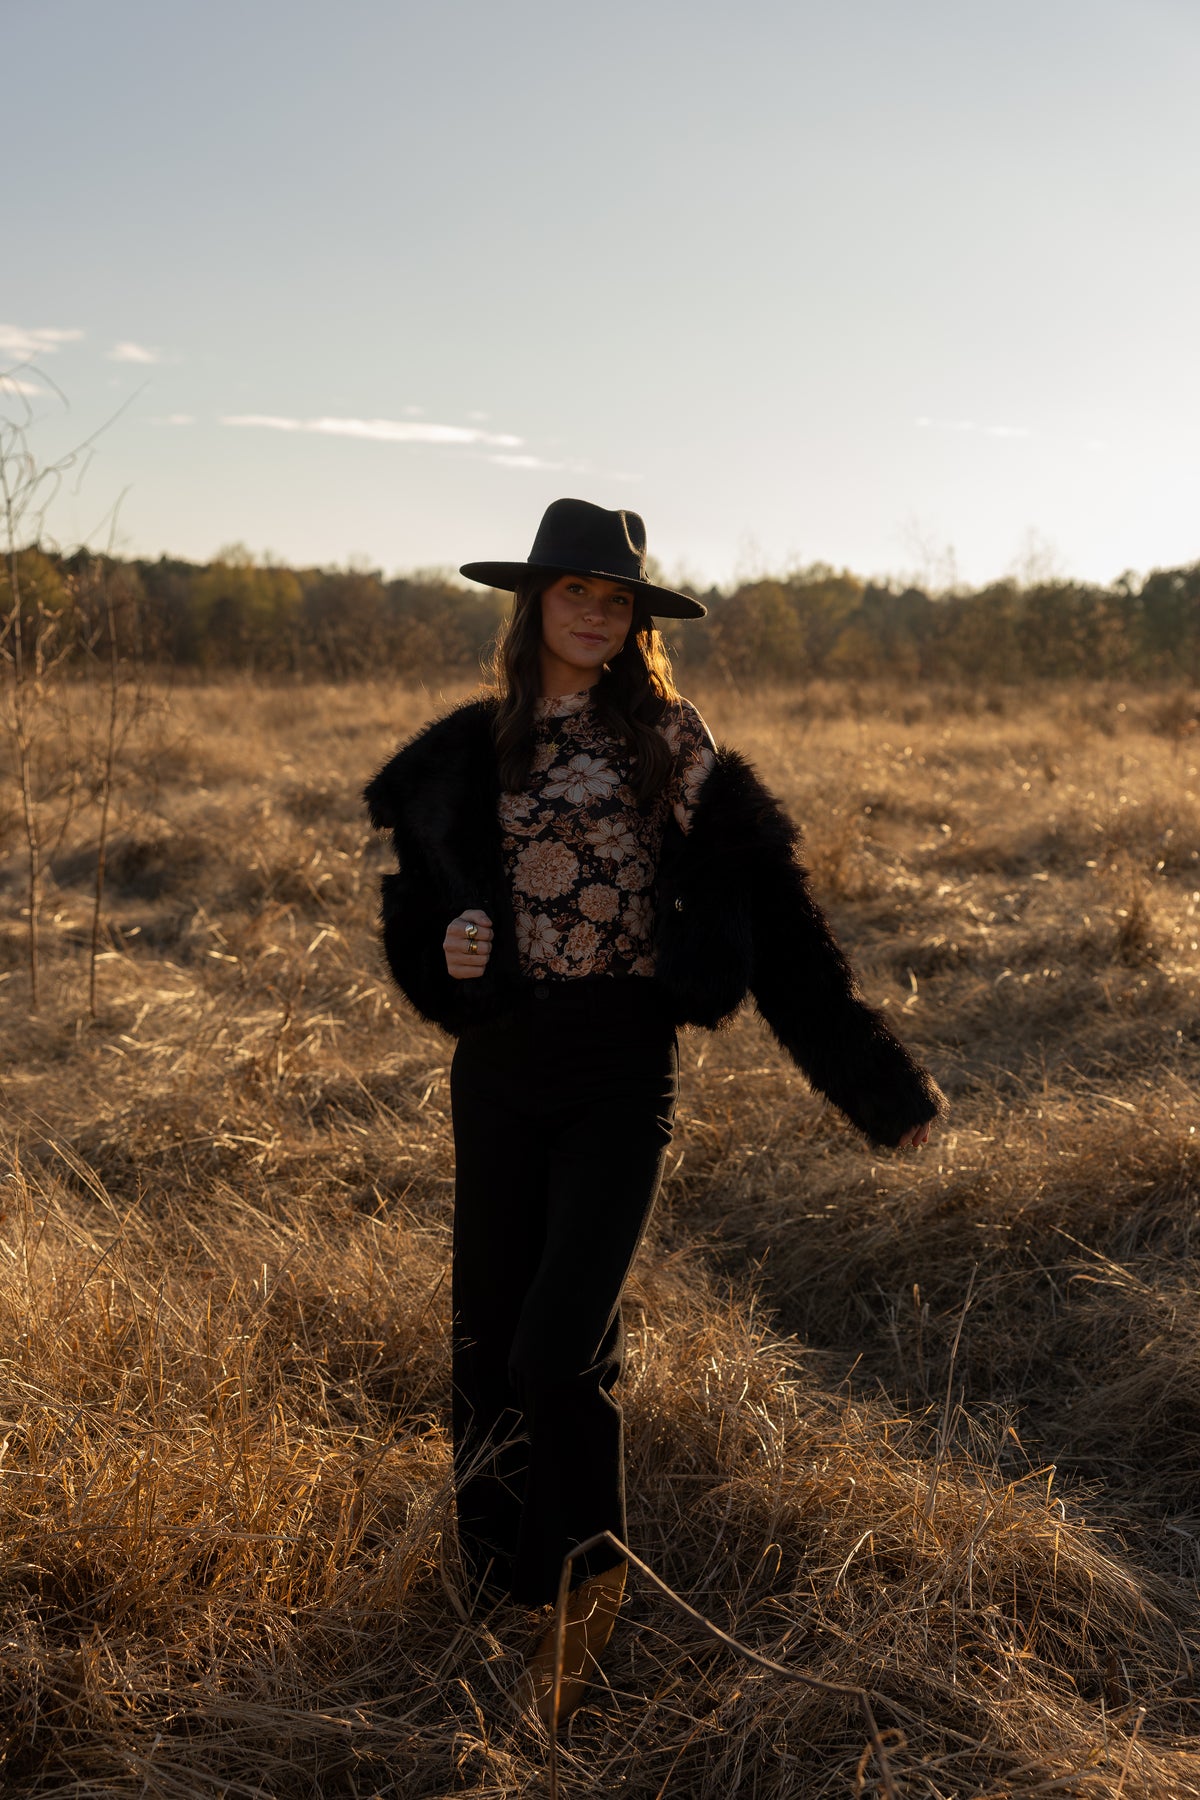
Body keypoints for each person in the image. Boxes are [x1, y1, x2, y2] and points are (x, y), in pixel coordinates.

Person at [363, 498, 941, 1727]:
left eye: (612, 598)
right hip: (501, 1071)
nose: (590, 612)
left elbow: (774, 916)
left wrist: (879, 1088)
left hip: (622, 1069)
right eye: (572, 592)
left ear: (634, 621)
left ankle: (589, 1600)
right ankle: (503, 1589)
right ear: (536, 605)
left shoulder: (668, 745)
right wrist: (448, 949)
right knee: (485, 1350)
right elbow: (418, 920)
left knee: (556, 1350)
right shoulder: (470, 754)